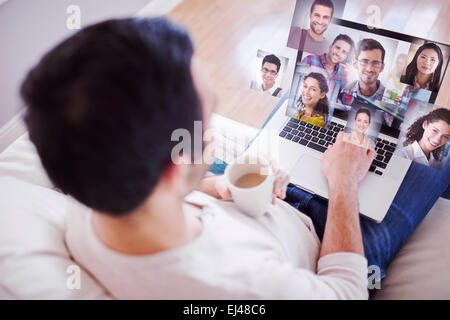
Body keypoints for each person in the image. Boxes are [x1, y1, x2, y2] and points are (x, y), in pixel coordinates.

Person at [20, 17, 450, 300]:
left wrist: (216, 184)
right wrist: (343, 186)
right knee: (439, 154)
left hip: (255, 202)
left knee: (298, 119)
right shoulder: (239, 286)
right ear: (176, 164)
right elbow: (345, 291)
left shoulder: (85, 197)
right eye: (207, 124)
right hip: (329, 241)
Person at [301, 34, 354, 107]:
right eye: (337, 48)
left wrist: (350, 83)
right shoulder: (309, 61)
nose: (338, 53)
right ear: (330, 46)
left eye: (344, 52)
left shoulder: (344, 73)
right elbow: (297, 89)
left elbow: (346, 103)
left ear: (345, 57)